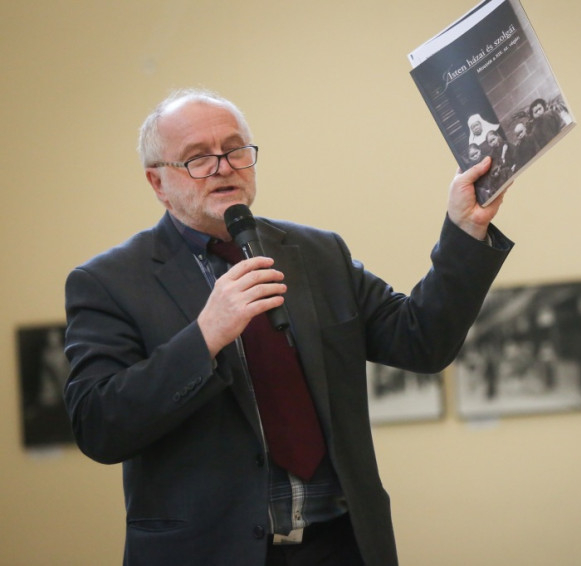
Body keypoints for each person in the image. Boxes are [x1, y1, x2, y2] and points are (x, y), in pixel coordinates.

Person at [63, 88, 512, 566]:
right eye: (198, 158)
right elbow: (99, 426)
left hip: (340, 546)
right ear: (157, 182)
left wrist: (465, 229)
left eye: (235, 149)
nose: (223, 167)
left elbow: (421, 340)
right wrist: (205, 336)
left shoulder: (318, 254)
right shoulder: (108, 282)